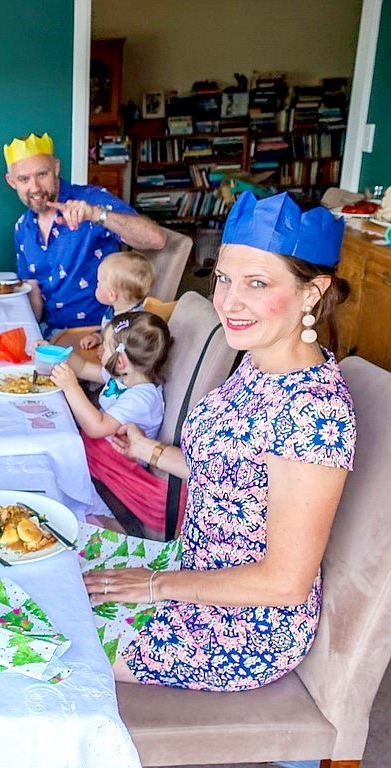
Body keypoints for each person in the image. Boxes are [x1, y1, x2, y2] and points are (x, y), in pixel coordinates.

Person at [83, 191, 356, 691]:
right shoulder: (258, 360)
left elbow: (284, 583)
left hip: (241, 628)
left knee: (33, 632)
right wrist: (150, 451)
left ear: (312, 293)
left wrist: (154, 586)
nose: (228, 302)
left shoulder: (315, 411)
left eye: (257, 283)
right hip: (192, 569)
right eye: (224, 278)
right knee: (44, 564)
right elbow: (237, 474)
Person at [3, 132, 166, 335]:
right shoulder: (22, 228)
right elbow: (33, 292)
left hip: (101, 333)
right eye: (24, 179)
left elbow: (157, 240)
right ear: (12, 181)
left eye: (42, 174)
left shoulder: (92, 200)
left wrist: (96, 214)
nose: (34, 187)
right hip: (50, 334)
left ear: (56, 168)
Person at [51, 311, 170, 442]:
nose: (100, 350)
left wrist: (71, 388)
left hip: (109, 453)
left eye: (104, 347)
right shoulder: (124, 376)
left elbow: (97, 428)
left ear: (119, 362)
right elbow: (83, 367)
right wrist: (54, 352)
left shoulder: (142, 399)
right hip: (96, 442)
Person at [78, 250, 154, 350]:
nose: (96, 285)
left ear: (112, 295)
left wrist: (111, 352)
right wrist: (97, 337)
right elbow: (107, 330)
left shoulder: (135, 326)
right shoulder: (114, 310)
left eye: (98, 283)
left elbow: (133, 352)